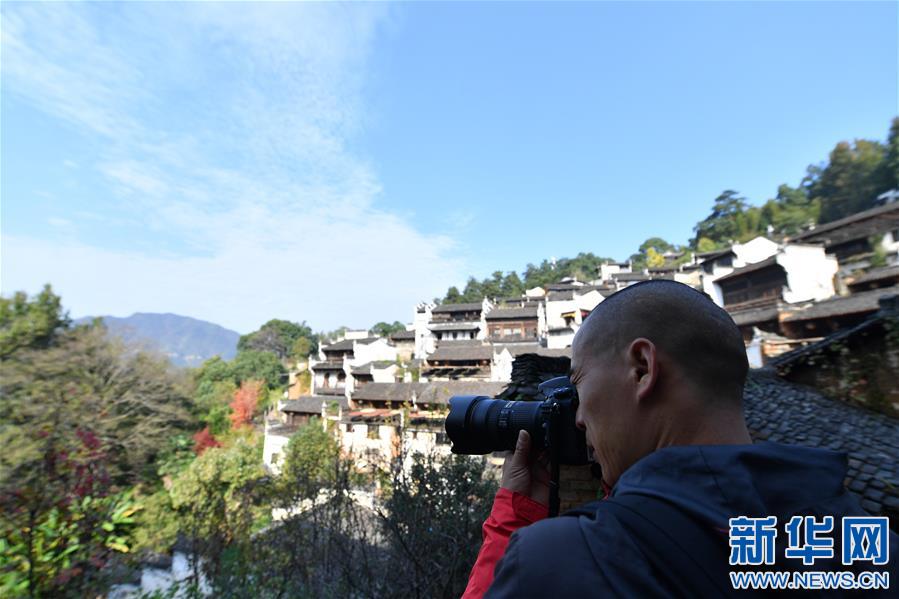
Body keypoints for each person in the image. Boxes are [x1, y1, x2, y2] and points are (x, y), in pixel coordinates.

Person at [463, 280, 897, 598]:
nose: (577, 417)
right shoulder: (868, 549)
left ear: (642, 369)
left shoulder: (564, 562)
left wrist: (514, 518)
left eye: (578, 384)